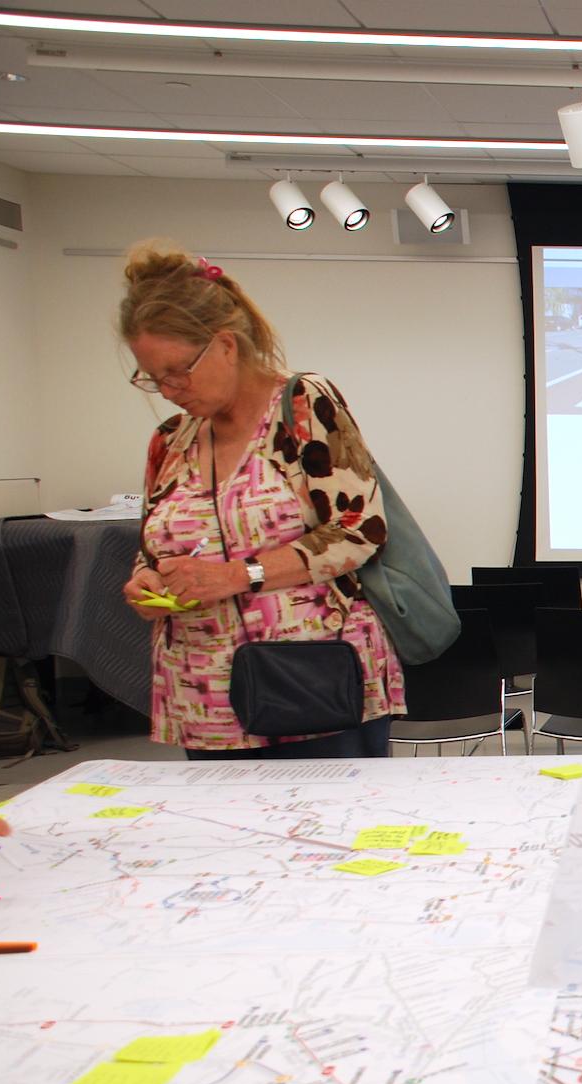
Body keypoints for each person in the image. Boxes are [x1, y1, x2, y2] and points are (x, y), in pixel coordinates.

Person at [117, 245, 404, 760]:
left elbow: (360, 530)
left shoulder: (300, 406)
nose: (167, 390)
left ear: (225, 345)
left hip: (310, 686)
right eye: (152, 377)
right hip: (203, 698)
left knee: (332, 834)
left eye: (177, 372)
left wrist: (236, 575)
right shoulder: (169, 439)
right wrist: (148, 578)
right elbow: (153, 545)